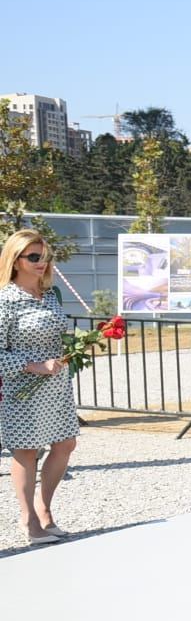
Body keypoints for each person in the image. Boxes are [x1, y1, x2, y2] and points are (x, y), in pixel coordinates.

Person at [0, 230, 79, 547]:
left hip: (56, 386)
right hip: (24, 389)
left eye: (45, 256)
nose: (41, 262)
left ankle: (44, 509)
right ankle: (28, 519)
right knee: (26, 450)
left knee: (66, 444)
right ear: (15, 260)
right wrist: (32, 365)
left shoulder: (49, 295)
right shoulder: (6, 300)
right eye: (34, 257)